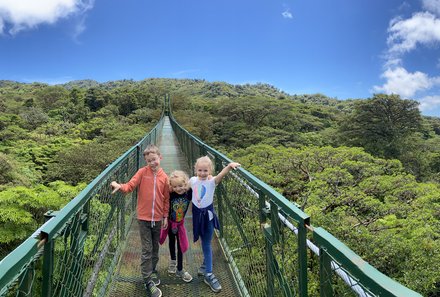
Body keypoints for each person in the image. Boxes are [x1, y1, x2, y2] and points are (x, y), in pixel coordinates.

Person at [111, 144, 169, 297]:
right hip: (143, 219)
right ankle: (147, 279)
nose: (152, 163)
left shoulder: (165, 177)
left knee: (155, 249)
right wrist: (119, 186)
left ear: (160, 158)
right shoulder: (142, 173)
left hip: (157, 219)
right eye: (149, 161)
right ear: (146, 161)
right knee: (147, 249)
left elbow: (166, 199)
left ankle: (153, 270)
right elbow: (130, 186)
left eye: (154, 159)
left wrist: (165, 216)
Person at [190, 156, 240, 293]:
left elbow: (220, 175)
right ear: (195, 170)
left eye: (205, 170)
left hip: (207, 217)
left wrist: (229, 166)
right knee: (202, 241)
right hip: (196, 216)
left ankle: (209, 274)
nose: (202, 173)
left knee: (206, 243)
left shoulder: (212, 181)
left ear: (210, 170)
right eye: (200, 170)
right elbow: (184, 188)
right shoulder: (193, 180)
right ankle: (205, 264)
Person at [159, 170, 193, 283]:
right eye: (175, 186)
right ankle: (173, 261)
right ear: (171, 187)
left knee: (180, 245)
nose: (178, 188)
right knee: (171, 241)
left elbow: (199, 185)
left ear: (185, 184)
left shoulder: (189, 193)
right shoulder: (171, 194)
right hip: (169, 223)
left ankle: (180, 269)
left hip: (180, 224)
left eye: (181, 185)